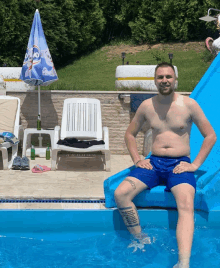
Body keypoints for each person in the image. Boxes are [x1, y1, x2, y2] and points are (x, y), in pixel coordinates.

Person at [114, 62, 217, 268]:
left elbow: (210, 135)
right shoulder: (147, 106)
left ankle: (183, 263)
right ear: (155, 80)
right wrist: (137, 160)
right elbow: (129, 134)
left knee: (186, 205)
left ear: (175, 79)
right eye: (160, 77)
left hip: (180, 165)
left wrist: (195, 165)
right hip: (153, 163)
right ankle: (140, 237)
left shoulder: (189, 105)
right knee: (120, 194)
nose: (164, 81)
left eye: (168, 77)